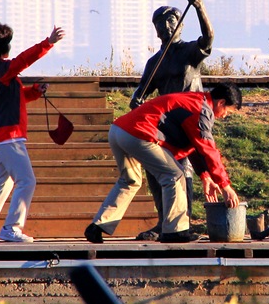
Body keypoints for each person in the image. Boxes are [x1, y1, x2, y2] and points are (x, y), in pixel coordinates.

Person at [84, 83, 242, 244]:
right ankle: (175, 231)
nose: (224, 116)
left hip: (118, 131)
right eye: (227, 112)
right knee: (174, 175)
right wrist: (225, 186)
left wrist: (205, 176)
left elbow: (194, 145)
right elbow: (209, 150)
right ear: (221, 102)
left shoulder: (194, 100)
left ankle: (98, 226)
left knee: (130, 181)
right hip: (138, 134)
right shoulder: (201, 110)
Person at [0, 22, 66, 242]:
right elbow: (22, 61)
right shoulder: (1, 68)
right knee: (26, 181)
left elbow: (14, 96)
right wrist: (47, 43)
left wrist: (34, 92)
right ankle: (11, 228)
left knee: (4, 183)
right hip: (8, 135)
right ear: (5, 47)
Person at [130, 0, 215, 240]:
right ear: (155, 30)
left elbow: (208, 39)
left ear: (180, 25)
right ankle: (163, 221)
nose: (166, 26)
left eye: (171, 21)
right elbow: (142, 92)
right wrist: (137, 100)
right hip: (166, 124)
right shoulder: (155, 62)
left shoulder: (189, 52)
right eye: (160, 23)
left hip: (189, 121)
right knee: (156, 168)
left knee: (184, 169)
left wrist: (199, 7)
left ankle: (183, 222)